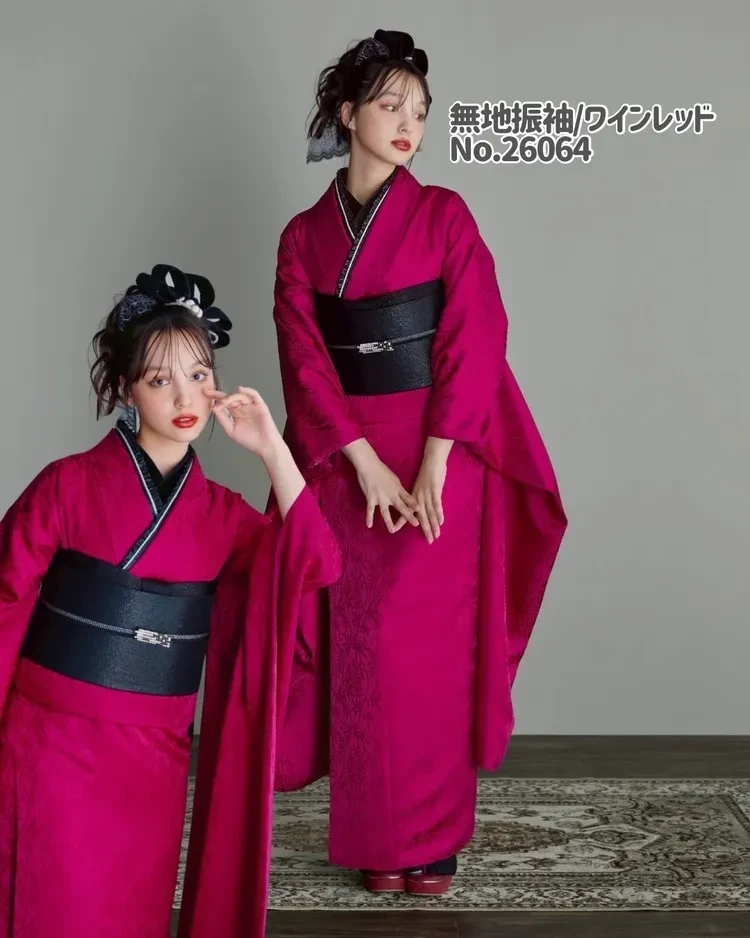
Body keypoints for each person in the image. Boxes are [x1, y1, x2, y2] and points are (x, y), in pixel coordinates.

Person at [270, 29, 568, 896]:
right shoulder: (303, 238)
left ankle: (432, 838)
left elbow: (476, 336)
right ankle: (377, 840)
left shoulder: (444, 215)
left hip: (442, 451)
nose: (409, 124)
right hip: (348, 461)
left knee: (430, 649)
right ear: (347, 113)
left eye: (422, 112)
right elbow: (304, 361)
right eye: (391, 105)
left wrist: (436, 460)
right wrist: (362, 464)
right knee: (363, 649)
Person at [0, 264, 340, 938]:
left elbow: (319, 562)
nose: (185, 396)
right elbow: (5, 596)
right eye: (159, 380)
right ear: (126, 388)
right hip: (54, 747)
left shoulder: (224, 517)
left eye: (198, 373)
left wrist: (273, 449)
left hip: (154, 758)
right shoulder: (67, 486)